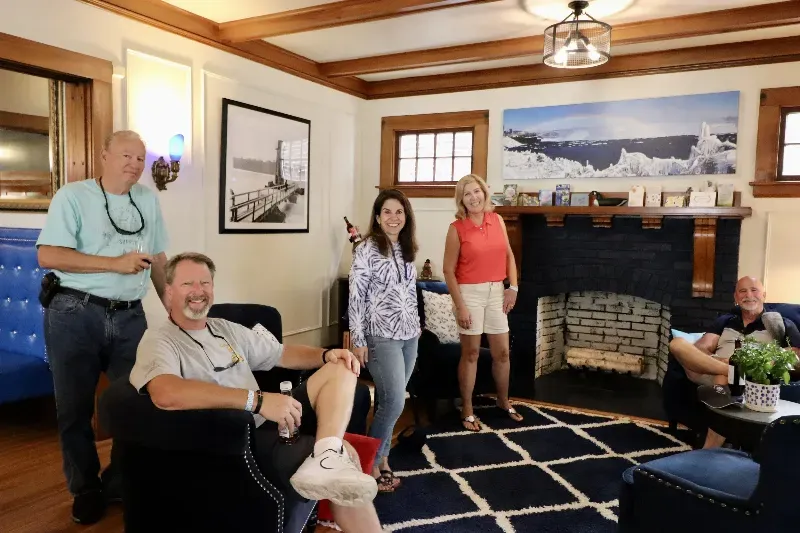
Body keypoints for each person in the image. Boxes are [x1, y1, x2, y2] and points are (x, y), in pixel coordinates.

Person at [129, 252, 382, 532]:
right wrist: (256, 401)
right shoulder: (159, 339)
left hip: (267, 418)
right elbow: (165, 392)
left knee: (341, 368)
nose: (198, 291)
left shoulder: (223, 328)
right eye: (188, 283)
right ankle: (330, 457)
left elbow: (282, 353)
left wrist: (327, 354)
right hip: (231, 439)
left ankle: (327, 454)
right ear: (169, 291)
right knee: (347, 458)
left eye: (205, 282)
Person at [36, 130, 169, 524]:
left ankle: (119, 480)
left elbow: (158, 257)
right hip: (74, 312)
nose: (134, 164)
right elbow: (48, 254)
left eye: (141, 158)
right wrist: (114, 263)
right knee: (74, 409)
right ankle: (86, 488)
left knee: (140, 403)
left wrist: (175, 308)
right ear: (104, 155)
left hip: (130, 314)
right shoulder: (73, 196)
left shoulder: (147, 199)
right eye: (126, 155)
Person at [669, 276, 800, 447]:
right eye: (742, 291)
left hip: (752, 377)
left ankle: (709, 449)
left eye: (754, 290)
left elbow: (795, 355)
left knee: (723, 379)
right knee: (677, 344)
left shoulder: (778, 322)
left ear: (764, 294)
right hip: (711, 368)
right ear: (736, 297)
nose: (748, 295)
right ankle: (730, 370)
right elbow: (702, 347)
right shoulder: (725, 321)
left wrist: (763, 361)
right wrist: (725, 363)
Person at [349, 189, 420, 494]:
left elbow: (408, 294)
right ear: (377, 217)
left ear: (406, 217)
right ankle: (371, 463)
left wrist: (417, 327)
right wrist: (357, 339)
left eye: (399, 212)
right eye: (387, 212)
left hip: (409, 334)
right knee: (391, 401)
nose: (394, 218)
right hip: (380, 335)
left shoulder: (406, 248)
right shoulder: (366, 248)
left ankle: (383, 458)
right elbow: (356, 295)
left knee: (394, 401)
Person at [442, 174, 521, 432]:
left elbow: (509, 254)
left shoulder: (497, 220)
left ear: (484, 193)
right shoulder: (456, 228)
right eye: (467, 194)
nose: (474, 197)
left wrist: (513, 287)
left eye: (477, 191)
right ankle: (466, 409)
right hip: (469, 294)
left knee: (502, 353)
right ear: (461, 200)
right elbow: (448, 271)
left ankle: (503, 401)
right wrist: (460, 305)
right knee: (472, 353)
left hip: (497, 291)